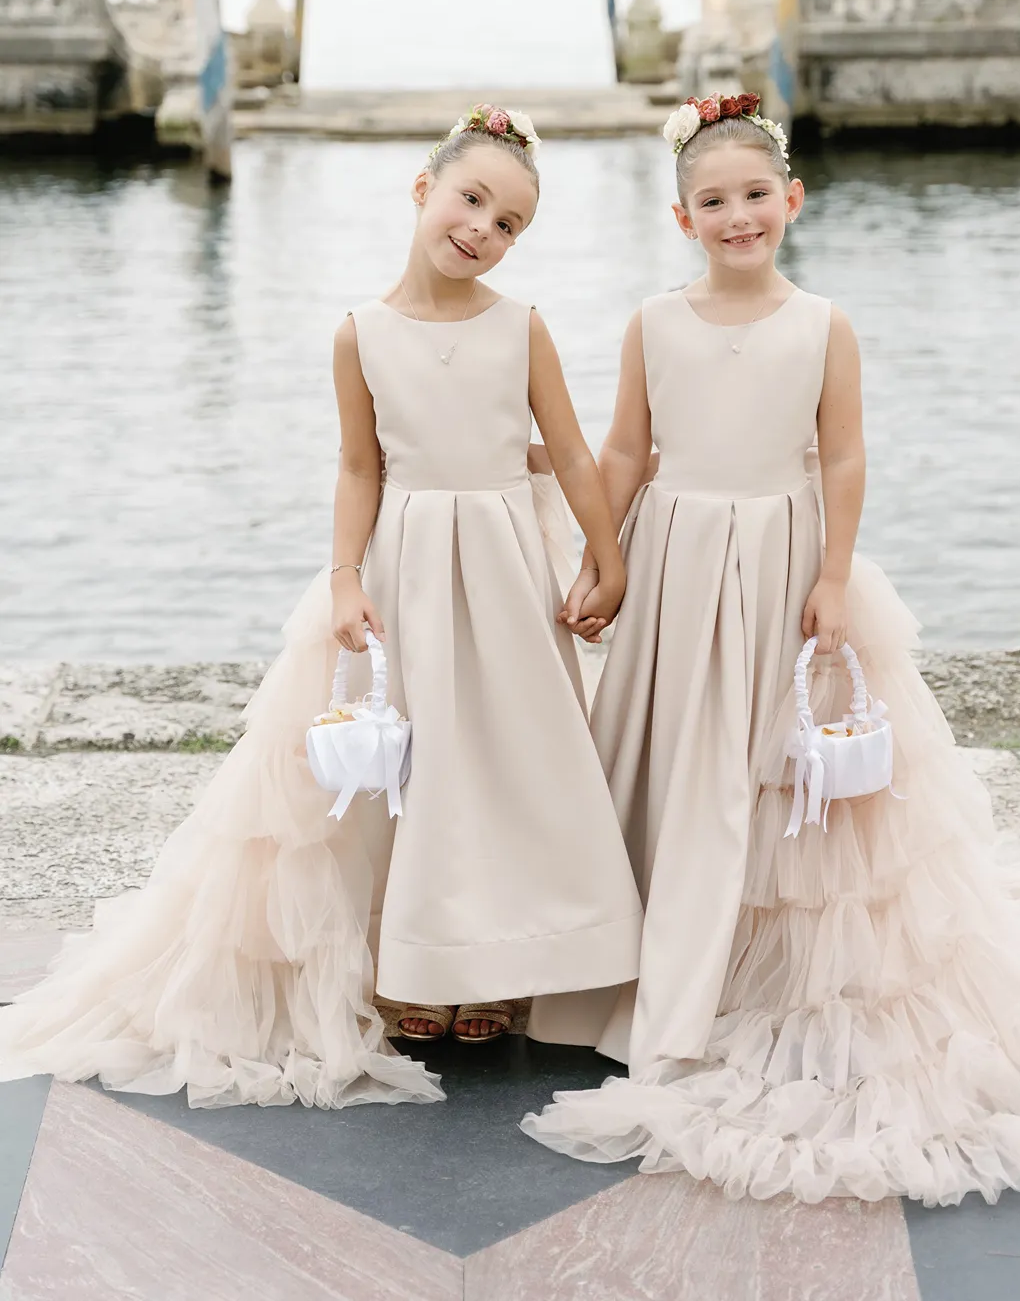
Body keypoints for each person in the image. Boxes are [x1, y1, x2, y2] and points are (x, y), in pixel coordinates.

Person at [523, 91, 1020, 1204]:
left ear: (790, 199)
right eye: (713, 202)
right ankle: (640, 965)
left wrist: (833, 577)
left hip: (782, 561)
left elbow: (841, 458)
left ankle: (742, 970)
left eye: (754, 196)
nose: (737, 217)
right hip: (680, 553)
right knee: (670, 760)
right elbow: (630, 448)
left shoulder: (822, 323)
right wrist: (604, 558)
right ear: (680, 215)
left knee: (767, 774)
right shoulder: (654, 320)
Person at [0, 105, 641, 1107]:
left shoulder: (522, 327)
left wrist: (608, 560)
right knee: (411, 771)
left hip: (510, 571)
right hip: (405, 570)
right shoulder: (362, 334)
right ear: (425, 190)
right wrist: (346, 580)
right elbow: (358, 467)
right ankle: (419, 968)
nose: (484, 229)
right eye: (473, 200)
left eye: (511, 223)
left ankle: (501, 969)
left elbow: (567, 450)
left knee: (506, 762)